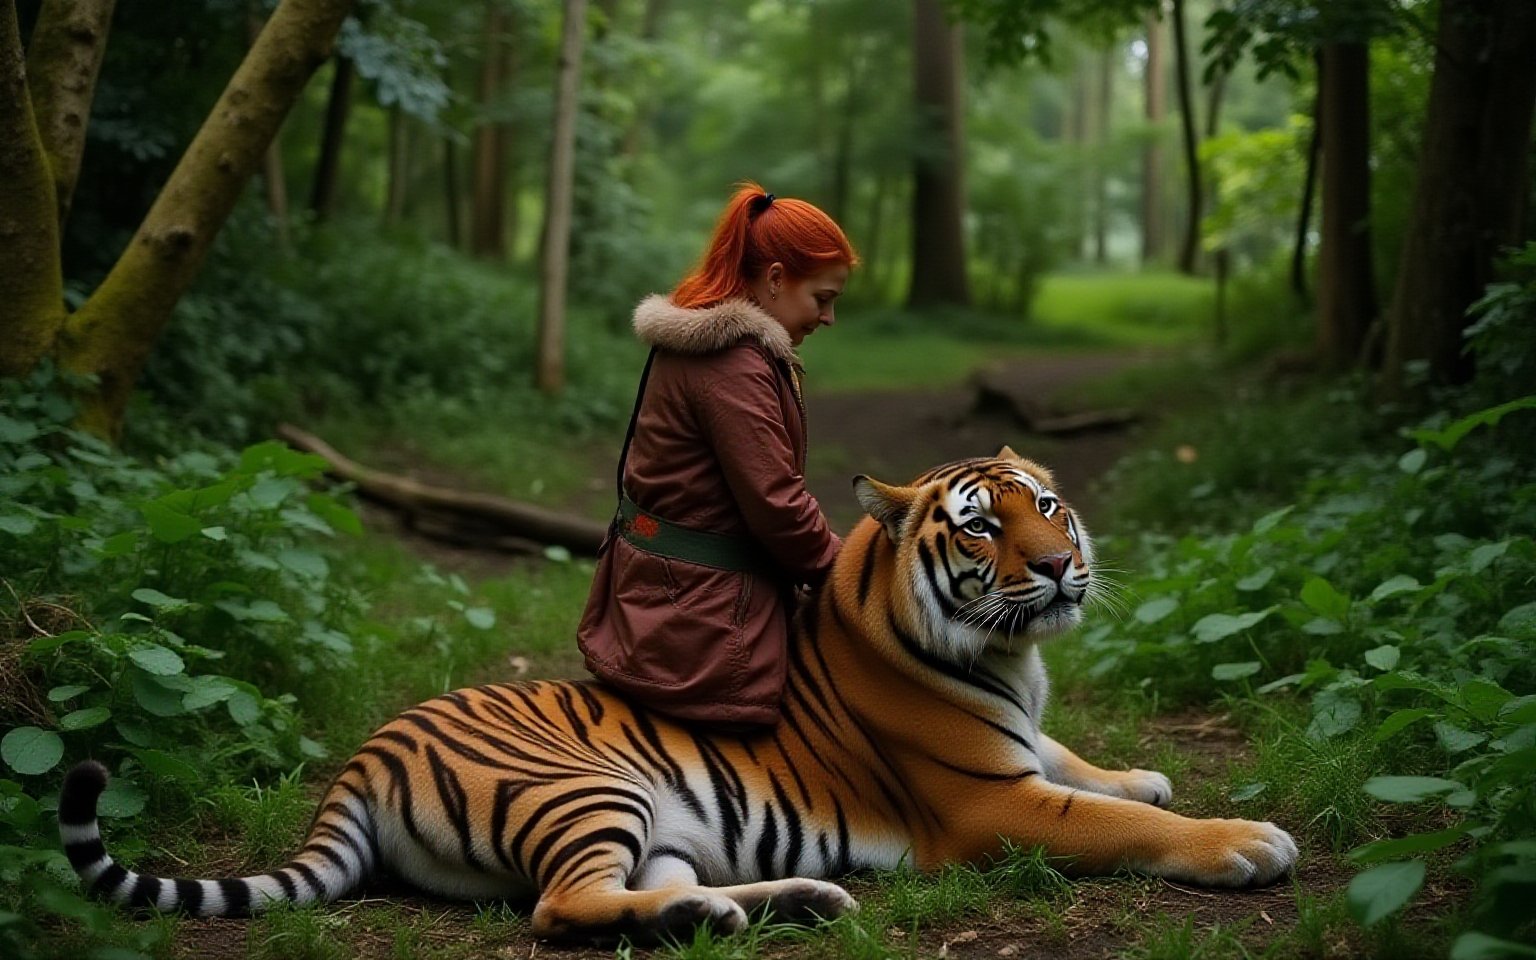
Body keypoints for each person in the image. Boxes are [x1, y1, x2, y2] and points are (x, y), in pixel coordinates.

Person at [576, 182, 856, 729]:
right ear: (775, 278)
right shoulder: (731, 363)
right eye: (821, 298)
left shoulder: (713, 344)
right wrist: (854, 576)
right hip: (700, 630)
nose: (828, 318)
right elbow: (777, 505)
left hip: (666, 604)